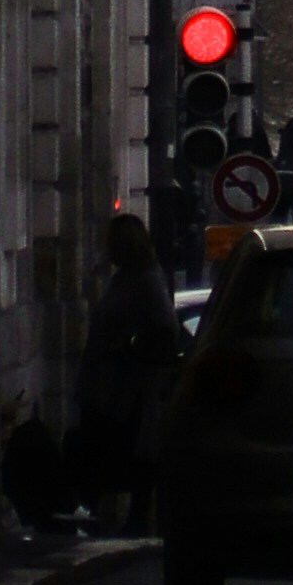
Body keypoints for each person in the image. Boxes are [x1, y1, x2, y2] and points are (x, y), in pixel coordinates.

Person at [76, 211, 180, 532]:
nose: (107, 248)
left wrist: (128, 347)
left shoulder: (146, 280)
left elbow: (165, 331)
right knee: (107, 454)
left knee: (122, 454)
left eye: (112, 242)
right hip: (109, 389)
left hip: (124, 392)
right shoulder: (125, 278)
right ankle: (106, 517)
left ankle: (122, 519)